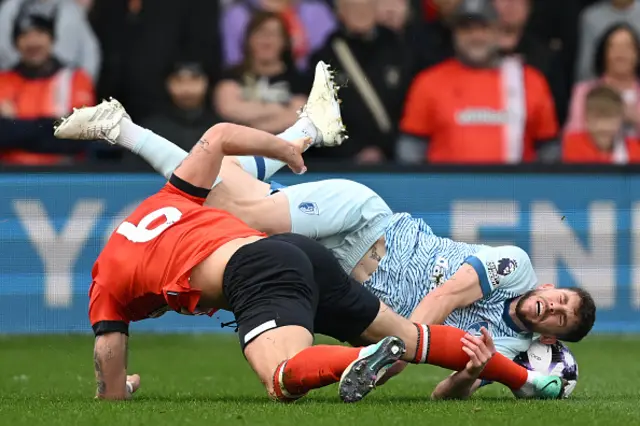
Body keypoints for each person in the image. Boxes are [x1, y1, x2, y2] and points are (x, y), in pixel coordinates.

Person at [57, 62, 570, 402]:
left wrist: (395, 352)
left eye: (562, 319)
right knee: (232, 199)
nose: (555, 308)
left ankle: (128, 128)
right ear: (548, 288)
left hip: (309, 254)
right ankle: (302, 131)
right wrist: (400, 344)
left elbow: (109, 389)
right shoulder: (517, 269)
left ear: (549, 336)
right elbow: (444, 297)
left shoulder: (111, 278)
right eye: (563, 299)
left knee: (234, 200)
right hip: (352, 237)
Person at [566, 23, 640, 138]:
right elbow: (573, 136)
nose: (621, 53)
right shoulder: (584, 92)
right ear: (603, 53)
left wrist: (636, 118)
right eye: (613, 47)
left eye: (627, 47)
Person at [563, 84, 640, 164]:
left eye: (610, 118)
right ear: (586, 120)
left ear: (620, 120)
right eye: (597, 118)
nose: (603, 126)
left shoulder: (634, 148)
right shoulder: (572, 144)